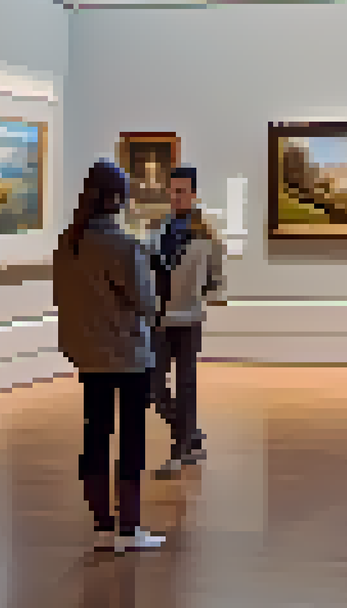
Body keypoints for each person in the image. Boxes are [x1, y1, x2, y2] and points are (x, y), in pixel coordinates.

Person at [52, 159, 165, 552]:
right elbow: (146, 303)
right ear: (117, 198)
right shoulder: (123, 246)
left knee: (95, 434)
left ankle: (102, 524)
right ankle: (129, 527)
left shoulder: (69, 243)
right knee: (132, 438)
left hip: (88, 352)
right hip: (128, 353)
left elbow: (63, 298)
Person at [145, 165, 225, 476]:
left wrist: (204, 294)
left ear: (193, 194)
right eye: (172, 190)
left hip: (189, 319)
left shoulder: (206, 235)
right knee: (154, 386)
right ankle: (189, 434)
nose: (175, 196)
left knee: (185, 384)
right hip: (159, 319)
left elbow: (216, 278)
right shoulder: (157, 230)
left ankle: (179, 453)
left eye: (181, 191)